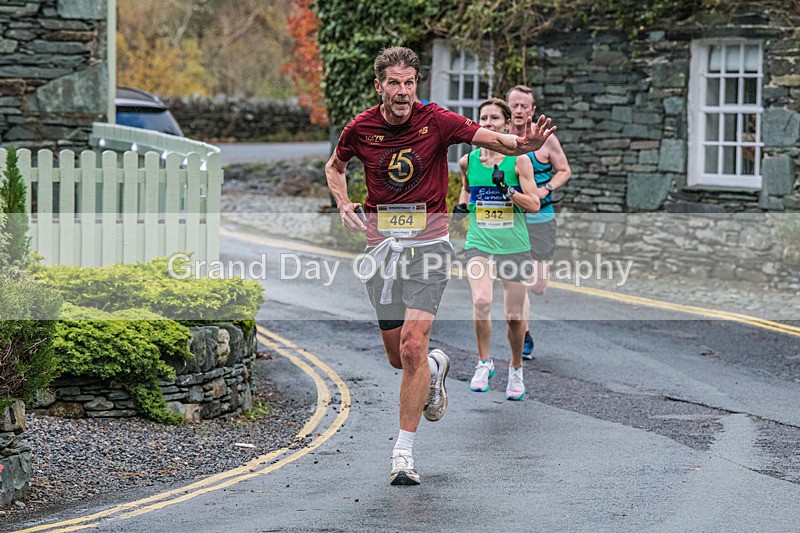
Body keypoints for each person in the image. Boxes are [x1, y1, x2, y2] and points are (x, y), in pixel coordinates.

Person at [325, 47, 556, 486]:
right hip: (381, 249)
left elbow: (489, 139)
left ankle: (403, 454)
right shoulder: (360, 128)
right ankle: (435, 368)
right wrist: (342, 202)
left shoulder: (437, 120)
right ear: (379, 87)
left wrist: (522, 145)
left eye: (410, 82)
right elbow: (334, 167)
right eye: (394, 83)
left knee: (413, 345)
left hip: (429, 247)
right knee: (400, 358)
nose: (403, 91)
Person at [455, 98, 540, 401]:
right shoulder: (469, 160)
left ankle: (516, 369)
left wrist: (508, 190)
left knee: (514, 317)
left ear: (506, 124)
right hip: (479, 242)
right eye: (483, 118)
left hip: (514, 245)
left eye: (494, 119)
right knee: (481, 299)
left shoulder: (519, 161)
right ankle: (484, 362)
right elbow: (466, 187)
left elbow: (534, 204)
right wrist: (463, 205)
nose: (488, 124)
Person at [506, 85, 571, 360]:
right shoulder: (500, 138)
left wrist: (545, 190)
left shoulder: (546, 140)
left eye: (524, 106)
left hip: (541, 217)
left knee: (538, 286)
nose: (519, 110)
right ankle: (526, 333)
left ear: (532, 110)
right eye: (515, 105)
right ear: (508, 108)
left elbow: (564, 170)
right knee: (520, 279)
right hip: (512, 220)